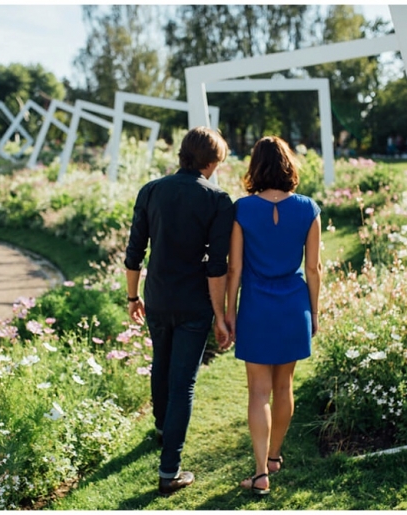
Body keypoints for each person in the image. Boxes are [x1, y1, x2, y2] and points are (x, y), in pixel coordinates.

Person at [124, 126, 234, 496]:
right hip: (193, 302)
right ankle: (169, 471)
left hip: (156, 296)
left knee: (161, 364)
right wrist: (220, 315)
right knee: (183, 380)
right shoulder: (219, 201)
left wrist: (131, 298)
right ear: (211, 161)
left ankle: (161, 428)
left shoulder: (151, 190)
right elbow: (217, 265)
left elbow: (135, 250)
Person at [225, 136, 322, 495]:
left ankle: (260, 472)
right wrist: (314, 311)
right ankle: (275, 458)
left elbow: (234, 269)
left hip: (256, 307)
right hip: (294, 306)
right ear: (289, 166)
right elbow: (314, 268)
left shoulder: (242, 209)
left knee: (258, 393)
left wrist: (228, 313)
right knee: (284, 388)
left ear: (256, 167)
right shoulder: (309, 208)